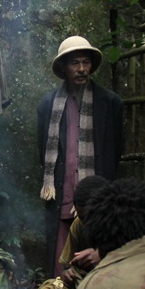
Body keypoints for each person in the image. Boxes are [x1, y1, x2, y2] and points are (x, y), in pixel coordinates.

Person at [37, 36, 123, 276]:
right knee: (60, 262)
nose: (82, 69)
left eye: (86, 62)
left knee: (98, 255)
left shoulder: (110, 103)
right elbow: (42, 150)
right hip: (61, 195)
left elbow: (115, 151)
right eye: (75, 63)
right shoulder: (47, 106)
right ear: (64, 68)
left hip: (97, 197)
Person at [29, 175, 109, 289]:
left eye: (89, 217)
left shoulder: (126, 223)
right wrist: (67, 274)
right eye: (82, 217)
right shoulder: (79, 226)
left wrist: (102, 256)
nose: (85, 222)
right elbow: (66, 267)